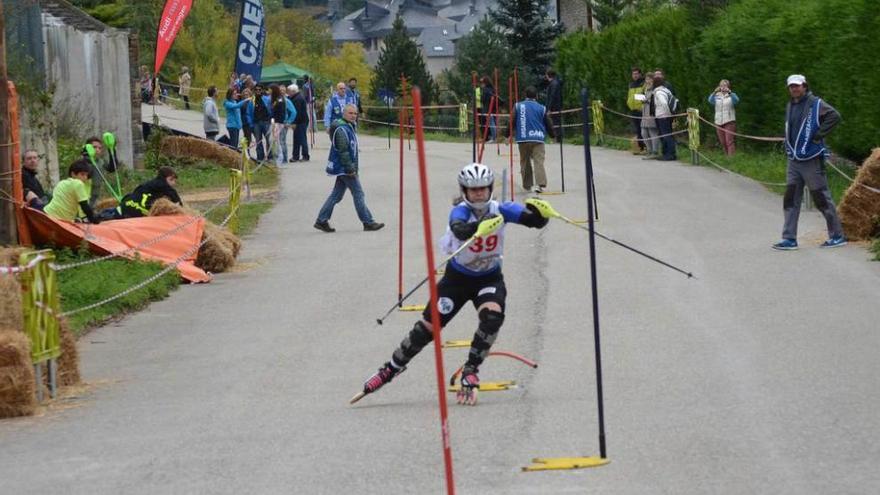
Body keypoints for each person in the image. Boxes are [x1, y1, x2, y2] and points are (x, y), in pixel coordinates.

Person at [355, 163, 550, 406]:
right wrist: (480, 225)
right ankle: (391, 368)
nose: (478, 193)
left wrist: (540, 213)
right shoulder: (459, 211)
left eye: (482, 189)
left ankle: (471, 369)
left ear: (490, 188)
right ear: (464, 191)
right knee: (427, 328)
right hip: (457, 280)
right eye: (472, 189)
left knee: (492, 318)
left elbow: (534, 222)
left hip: (488, 278)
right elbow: (460, 230)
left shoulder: (501, 209)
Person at [773, 74, 845, 250]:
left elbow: (834, 116)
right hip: (794, 159)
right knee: (790, 199)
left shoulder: (816, 103)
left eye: (797, 86)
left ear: (804, 86)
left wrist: (818, 135)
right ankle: (789, 238)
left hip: (812, 159)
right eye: (791, 87)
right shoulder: (790, 104)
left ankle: (837, 235)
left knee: (821, 198)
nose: (794, 89)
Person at [314, 104, 384, 233]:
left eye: (355, 114)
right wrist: (350, 169)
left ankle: (321, 220)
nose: (353, 116)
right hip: (344, 168)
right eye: (350, 113)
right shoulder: (341, 129)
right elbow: (343, 151)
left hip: (344, 168)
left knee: (336, 195)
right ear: (344, 113)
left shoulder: (348, 126)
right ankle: (368, 222)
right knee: (358, 193)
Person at [513, 86, 555, 193]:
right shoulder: (542, 108)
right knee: (538, 161)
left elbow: (512, 120)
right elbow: (548, 123)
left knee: (525, 161)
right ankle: (540, 184)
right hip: (538, 138)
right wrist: (553, 135)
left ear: (525, 95)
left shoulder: (518, 106)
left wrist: (507, 134)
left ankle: (527, 185)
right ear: (536, 96)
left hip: (523, 138)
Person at [117, 166, 182, 218]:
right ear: (163, 178)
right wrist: (182, 209)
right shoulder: (163, 184)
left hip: (125, 204)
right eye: (171, 179)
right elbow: (175, 198)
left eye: (174, 180)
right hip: (134, 210)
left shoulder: (150, 184)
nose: (173, 183)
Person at [83, 136, 118, 208]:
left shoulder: (100, 161)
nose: (97, 150)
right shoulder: (83, 162)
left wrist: (111, 150)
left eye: (99, 148)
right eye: (94, 147)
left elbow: (112, 168)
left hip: (95, 194)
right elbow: (87, 174)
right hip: (84, 194)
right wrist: (87, 155)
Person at [707, 79, 739, 156]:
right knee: (723, 142)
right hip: (718, 121)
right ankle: (726, 157)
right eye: (721, 85)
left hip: (729, 120)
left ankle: (732, 159)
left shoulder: (731, 95)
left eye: (725, 85)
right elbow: (710, 100)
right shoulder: (717, 95)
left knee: (729, 141)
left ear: (728, 86)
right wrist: (714, 92)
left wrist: (730, 92)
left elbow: (736, 101)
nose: (723, 87)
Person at [652, 70, 677, 161]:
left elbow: (664, 103)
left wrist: (667, 114)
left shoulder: (659, 92)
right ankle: (666, 153)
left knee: (666, 136)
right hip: (665, 116)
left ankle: (670, 154)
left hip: (663, 116)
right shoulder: (666, 90)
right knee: (666, 135)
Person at [640, 72, 660, 157]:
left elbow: (656, 101)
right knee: (644, 132)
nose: (647, 81)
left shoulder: (655, 89)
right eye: (646, 79)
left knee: (652, 132)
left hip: (652, 113)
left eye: (649, 79)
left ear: (653, 80)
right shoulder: (645, 89)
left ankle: (655, 151)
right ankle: (649, 150)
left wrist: (647, 101)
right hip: (645, 113)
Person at [289, 83, 310, 162]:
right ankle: (295, 156)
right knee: (297, 139)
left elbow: (297, 112)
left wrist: (294, 122)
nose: (288, 93)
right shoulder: (296, 97)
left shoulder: (297, 99)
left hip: (301, 122)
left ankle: (305, 156)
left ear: (293, 91)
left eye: (289, 91)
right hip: (301, 121)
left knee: (301, 139)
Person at [627, 66, 646, 153]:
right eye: (633, 74)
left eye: (636, 74)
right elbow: (630, 96)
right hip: (633, 110)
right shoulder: (631, 84)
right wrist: (629, 102)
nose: (635, 75)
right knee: (637, 129)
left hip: (641, 110)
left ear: (640, 74)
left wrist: (637, 99)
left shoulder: (643, 83)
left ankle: (645, 146)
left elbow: (645, 97)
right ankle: (640, 147)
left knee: (643, 129)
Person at [252, 85, 273, 161]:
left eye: (259, 89)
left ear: (262, 90)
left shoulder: (267, 99)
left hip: (266, 122)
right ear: (254, 91)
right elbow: (249, 112)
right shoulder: (252, 100)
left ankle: (270, 157)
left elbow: (272, 109)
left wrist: (271, 118)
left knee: (269, 140)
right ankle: (260, 157)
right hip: (256, 123)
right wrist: (250, 123)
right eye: (256, 89)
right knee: (258, 140)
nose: (258, 91)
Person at [278, 85, 298, 164]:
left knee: (282, 141)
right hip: (276, 123)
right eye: (280, 90)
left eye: (283, 90)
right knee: (276, 141)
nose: (281, 91)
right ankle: (278, 157)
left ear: (285, 91)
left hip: (283, 124)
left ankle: (284, 159)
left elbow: (293, 112)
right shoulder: (276, 100)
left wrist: (289, 122)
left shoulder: (287, 101)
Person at [544, 69, 563, 142]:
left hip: (554, 107)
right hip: (555, 106)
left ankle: (558, 138)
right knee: (555, 122)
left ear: (548, 75)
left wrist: (549, 108)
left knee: (556, 122)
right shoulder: (555, 83)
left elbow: (552, 96)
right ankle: (557, 138)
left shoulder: (554, 84)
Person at [479, 76, 498, 142]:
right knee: (493, 123)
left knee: (491, 123)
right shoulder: (493, 89)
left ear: (485, 83)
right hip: (493, 108)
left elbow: (483, 100)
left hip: (487, 109)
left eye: (482, 83)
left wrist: (481, 98)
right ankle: (493, 137)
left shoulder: (485, 90)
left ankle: (494, 138)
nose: (481, 84)